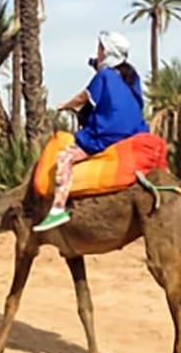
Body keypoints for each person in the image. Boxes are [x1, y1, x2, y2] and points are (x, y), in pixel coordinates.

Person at [33, 31, 149, 232]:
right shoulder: (132, 77)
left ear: (107, 52)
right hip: (136, 132)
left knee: (64, 158)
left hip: (107, 133)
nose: (98, 51)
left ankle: (58, 209)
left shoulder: (104, 76)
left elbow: (84, 98)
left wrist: (64, 105)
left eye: (100, 48)